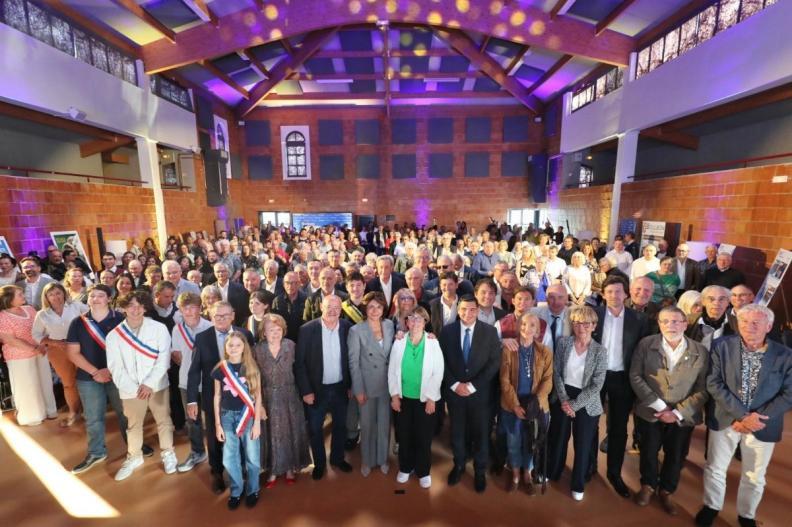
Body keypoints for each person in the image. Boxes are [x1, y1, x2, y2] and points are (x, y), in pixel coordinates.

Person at [696, 304, 792, 527]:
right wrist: (741, 415)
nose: (750, 327)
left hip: (762, 424)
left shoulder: (785, 355)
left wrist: (754, 419)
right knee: (715, 467)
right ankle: (711, 506)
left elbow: (789, 393)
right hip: (726, 418)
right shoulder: (722, 346)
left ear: (768, 326)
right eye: (745, 322)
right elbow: (713, 382)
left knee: (755, 475)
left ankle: (746, 515)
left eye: (756, 323)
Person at [630, 306, 709, 515]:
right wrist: (660, 406)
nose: (670, 326)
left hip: (683, 416)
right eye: (665, 321)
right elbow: (635, 376)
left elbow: (703, 388)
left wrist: (676, 413)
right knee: (648, 451)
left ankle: (666, 490)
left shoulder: (700, 351)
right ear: (659, 323)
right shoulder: (646, 345)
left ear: (685, 324)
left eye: (675, 321)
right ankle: (647, 485)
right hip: (650, 412)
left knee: (675, 455)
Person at [66, 284, 152, 474]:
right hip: (88, 377)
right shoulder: (78, 323)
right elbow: (73, 353)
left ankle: (135, 447)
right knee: (93, 417)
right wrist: (96, 371)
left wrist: (111, 370)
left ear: (108, 299)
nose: (95, 299)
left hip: (119, 375)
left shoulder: (122, 319)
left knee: (126, 414)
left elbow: (132, 349)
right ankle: (96, 452)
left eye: (100, 295)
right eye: (92, 295)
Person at [106, 291, 176, 481]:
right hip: (131, 390)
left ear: (145, 307)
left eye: (139, 305)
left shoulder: (159, 328)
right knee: (133, 425)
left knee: (164, 421)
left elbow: (164, 359)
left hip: (157, 385)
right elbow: (115, 367)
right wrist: (135, 387)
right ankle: (134, 457)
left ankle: (168, 453)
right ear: (124, 308)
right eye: (131, 306)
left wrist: (149, 384)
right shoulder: (114, 336)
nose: (135, 310)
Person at [187, 301, 254, 493]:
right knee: (215, 437)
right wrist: (192, 400)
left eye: (225, 315)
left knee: (241, 433)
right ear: (210, 316)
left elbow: (252, 366)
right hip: (213, 398)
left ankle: (242, 470)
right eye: (217, 316)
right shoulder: (202, 338)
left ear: (233, 315)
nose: (222, 319)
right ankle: (216, 472)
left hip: (242, 398)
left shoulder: (245, 334)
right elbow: (194, 372)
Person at [591, 276, 648, 498]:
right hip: (596, 377)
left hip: (623, 379)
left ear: (626, 294)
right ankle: (589, 466)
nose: (614, 295)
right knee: (590, 422)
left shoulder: (639, 319)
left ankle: (614, 473)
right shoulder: (593, 315)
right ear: (603, 294)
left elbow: (642, 353)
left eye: (619, 291)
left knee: (618, 428)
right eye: (610, 291)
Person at [441, 294, 502, 493]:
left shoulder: (490, 332)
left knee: (482, 434)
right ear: (458, 311)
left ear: (478, 311)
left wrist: (473, 386)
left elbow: (494, 363)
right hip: (455, 393)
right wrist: (454, 384)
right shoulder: (447, 332)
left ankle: (479, 471)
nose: (468, 313)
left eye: (472, 310)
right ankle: (458, 465)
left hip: (481, 395)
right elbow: (440, 362)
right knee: (457, 432)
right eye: (464, 309)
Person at [546, 305, 607, 501]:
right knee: (558, 438)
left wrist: (575, 405)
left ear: (594, 326)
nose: (581, 327)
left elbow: (597, 384)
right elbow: (556, 373)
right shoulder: (563, 343)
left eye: (586, 323)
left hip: (587, 401)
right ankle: (552, 472)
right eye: (577, 323)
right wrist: (565, 401)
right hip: (563, 395)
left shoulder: (600, 351)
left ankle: (578, 483)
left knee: (583, 444)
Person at [294, 295, 353, 480]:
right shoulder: (307, 330)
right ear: (321, 306)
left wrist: (351, 385)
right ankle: (319, 463)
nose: (333, 311)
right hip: (316, 390)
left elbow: (351, 360)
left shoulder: (347, 328)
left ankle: (337, 458)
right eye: (329, 307)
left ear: (341, 309)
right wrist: (306, 391)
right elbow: (300, 364)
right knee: (315, 428)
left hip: (340, 388)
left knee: (340, 426)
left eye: (337, 307)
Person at [388, 306, 444, 488]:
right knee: (404, 435)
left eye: (420, 319)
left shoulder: (432, 342)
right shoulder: (399, 341)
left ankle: (423, 471)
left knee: (423, 436)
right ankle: (405, 467)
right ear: (406, 322)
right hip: (403, 398)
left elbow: (438, 372)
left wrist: (431, 398)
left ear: (425, 322)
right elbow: (392, 370)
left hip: (424, 399)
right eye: (411, 318)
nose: (415, 322)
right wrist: (394, 395)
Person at [254, 314, 310, 488]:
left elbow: (301, 370)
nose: (275, 333)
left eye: (278, 329)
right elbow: (254, 378)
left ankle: (289, 469)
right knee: (271, 434)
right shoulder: (256, 350)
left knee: (290, 432)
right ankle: (272, 471)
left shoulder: (291, 346)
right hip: (267, 397)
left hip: (290, 396)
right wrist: (259, 403)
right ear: (264, 332)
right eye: (271, 330)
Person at [499, 312, 553, 495]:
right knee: (513, 442)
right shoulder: (509, 349)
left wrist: (535, 404)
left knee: (531, 442)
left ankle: (527, 473)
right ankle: (515, 473)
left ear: (537, 330)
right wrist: (515, 405)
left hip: (535, 408)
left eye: (531, 325)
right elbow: (504, 381)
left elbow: (548, 380)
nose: (526, 329)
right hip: (512, 406)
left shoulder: (545, 351)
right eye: (523, 324)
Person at [213, 332, 264, 510]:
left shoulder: (251, 368)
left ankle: (253, 490)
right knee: (229, 458)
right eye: (230, 345)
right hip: (226, 416)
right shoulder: (220, 368)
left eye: (238, 345)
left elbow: (258, 397)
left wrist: (257, 422)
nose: (234, 348)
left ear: (244, 348)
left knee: (252, 457)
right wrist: (218, 423)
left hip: (248, 417)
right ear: (225, 348)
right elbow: (217, 396)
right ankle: (236, 490)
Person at [348, 292, 395, 476]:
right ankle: (367, 461)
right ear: (365, 309)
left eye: (379, 307)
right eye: (371, 307)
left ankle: (382, 459)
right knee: (367, 425)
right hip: (366, 385)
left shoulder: (390, 325)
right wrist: (358, 389)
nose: (375, 310)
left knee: (384, 424)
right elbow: (353, 363)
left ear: (383, 309)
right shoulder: (356, 330)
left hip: (387, 384)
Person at [32, 282, 89, 426]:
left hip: (80, 347)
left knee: (85, 380)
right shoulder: (42, 314)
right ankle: (74, 412)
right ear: (46, 297)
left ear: (64, 293)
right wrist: (55, 343)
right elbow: (36, 335)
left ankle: (89, 412)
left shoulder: (76, 306)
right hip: (57, 350)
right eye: (51, 294)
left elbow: (92, 318)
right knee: (69, 383)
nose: (55, 297)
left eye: (58, 293)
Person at [0, 284, 57, 426]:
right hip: (19, 356)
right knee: (27, 386)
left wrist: (43, 344)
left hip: (40, 351)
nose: (23, 296)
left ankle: (49, 411)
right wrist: (33, 349)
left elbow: (42, 327)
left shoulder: (30, 309)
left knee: (45, 382)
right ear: (9, 299)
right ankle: (32, 416)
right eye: (19, 294)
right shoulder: (2, 316)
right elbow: (10, 340)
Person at [171, 292, 212, 473]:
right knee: (192, 420)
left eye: (193, 307)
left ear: (200, 308)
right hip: (186, 382)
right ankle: (197, 452)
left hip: (209, 381)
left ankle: (219, 452)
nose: (188, 311)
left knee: (213, 418)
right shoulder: (177, 329)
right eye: (184, 308)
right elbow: (177, 357)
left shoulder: (210, 327)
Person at [272, 271, 306, 343]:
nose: (290, 286)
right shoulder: (277, 300)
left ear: (299, 284)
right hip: (283, 341)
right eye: (287, 283)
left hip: (301, 340)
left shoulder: (306, 299)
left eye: (294, 283)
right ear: (283, 284)